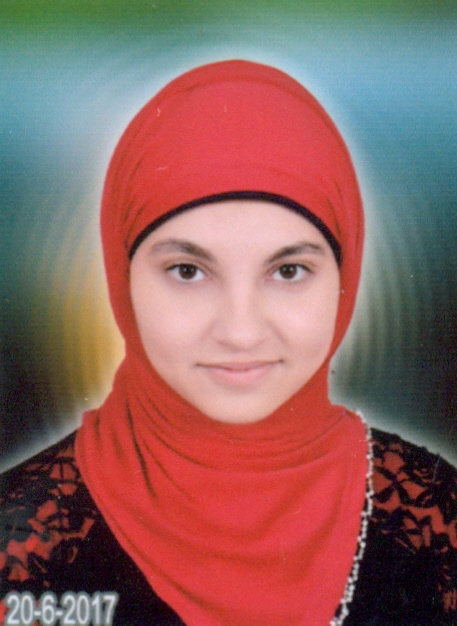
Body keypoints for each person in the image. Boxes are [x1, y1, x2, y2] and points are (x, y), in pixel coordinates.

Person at [0, 59, 456, 626]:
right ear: (123, 278)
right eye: (188, 271)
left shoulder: (438, 517)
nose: (241, 332)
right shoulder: (18, 543)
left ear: (345, 278)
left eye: (288, 271)